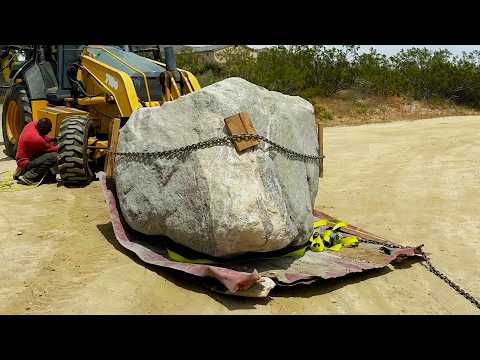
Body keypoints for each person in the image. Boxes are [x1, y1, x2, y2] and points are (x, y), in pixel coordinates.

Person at [14, 118, 58, 185]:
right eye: (48, 130)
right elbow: (52, 149)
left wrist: (54, 139)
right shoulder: (36, 139)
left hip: (22, 158)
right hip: (25, 163)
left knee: (50, 147)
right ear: (42, 131)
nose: (50, 130)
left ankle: (21, 171)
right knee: (54, 156)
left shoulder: (32, 124)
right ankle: (28, 177)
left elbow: (44, 137)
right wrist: (64, 145)